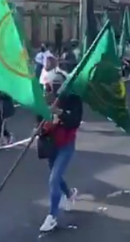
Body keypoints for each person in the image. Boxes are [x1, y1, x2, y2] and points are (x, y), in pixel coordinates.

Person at [38, 71, 82, 233]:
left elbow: (75, 121)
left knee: (53, 179)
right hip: (51, 144)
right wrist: (44, 126)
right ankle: (70, 193)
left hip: (66, 144)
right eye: (52, 87)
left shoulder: (74, 100)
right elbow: (39, 122)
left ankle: (52, 216)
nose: (54, 90)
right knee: (56, 177)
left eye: (58, 86)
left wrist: (60, 114)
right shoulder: (46, 100)